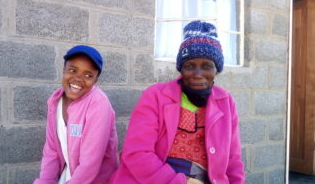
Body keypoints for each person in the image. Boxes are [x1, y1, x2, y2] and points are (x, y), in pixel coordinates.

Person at [110, 21, 245, 184]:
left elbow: (233, 161)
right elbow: (137, 153)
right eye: (189, 66)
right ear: (180, 68)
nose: (198, 74)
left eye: (207, 66)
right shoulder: (155, 96)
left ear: (217, 70)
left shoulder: (226, 102)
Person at [34, 45, 118, 184]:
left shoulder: (98, 104)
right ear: (63, 71)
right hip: (69, 176)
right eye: (72, 70)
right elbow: (52, 151)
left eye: (88, 75)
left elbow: (90, 164)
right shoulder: (55, 102)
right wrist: (45, 181)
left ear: (95, 81)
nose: (78, 78)